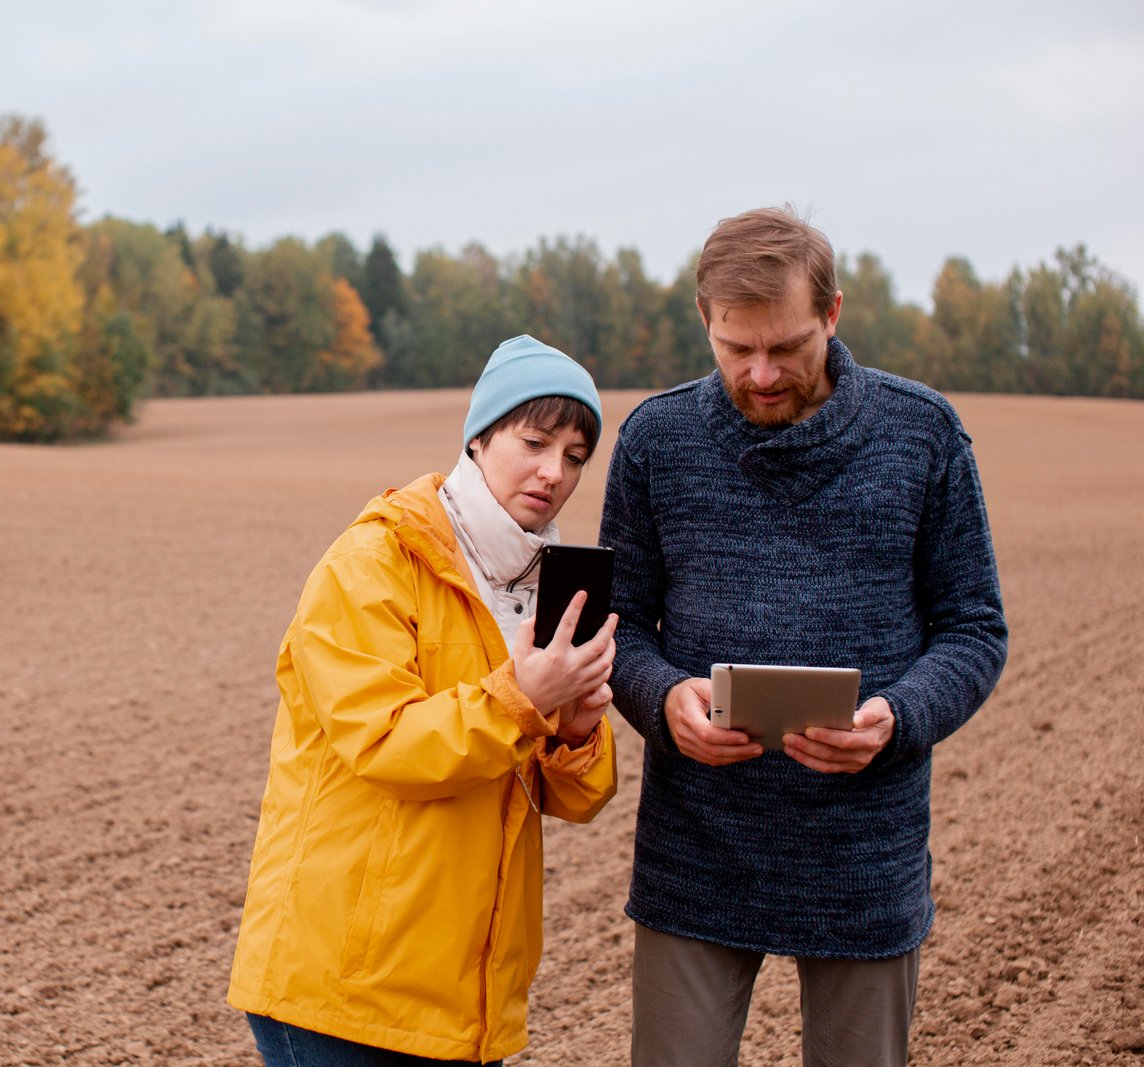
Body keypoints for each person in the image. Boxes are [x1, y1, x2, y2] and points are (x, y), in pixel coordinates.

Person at [598, 207, 1008, 1067]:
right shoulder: (655, 442)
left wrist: (896, 717)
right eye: (734, 347)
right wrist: (661, 697)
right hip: (697, 852)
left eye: (785, 346)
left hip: (865, 856)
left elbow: (974, 628)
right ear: (703, 321)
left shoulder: (921, 435)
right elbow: (621, 626)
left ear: (832, 313)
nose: (760, 372)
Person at [229, 336, 620, 1065]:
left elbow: (574, 799)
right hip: (346, 991)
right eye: (533, 440)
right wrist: (521, 700)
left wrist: (576, 730)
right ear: (478, 436)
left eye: (574, 456)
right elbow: (388, 744)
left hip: (461, 1000)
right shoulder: (373, 562)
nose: (553, 471)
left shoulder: (540, 585)